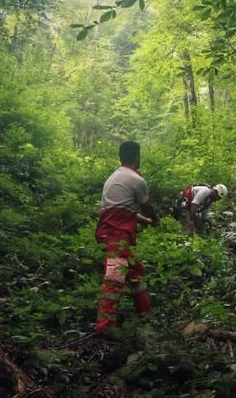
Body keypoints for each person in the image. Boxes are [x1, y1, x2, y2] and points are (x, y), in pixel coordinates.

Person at [95, 141, 159, 334]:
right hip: (117, 236)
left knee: (137, 274)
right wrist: (155, 219)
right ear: (137, 156)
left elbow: (122, 209)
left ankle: (145, 316)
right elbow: (146, 205)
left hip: (115, 235)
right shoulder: (136, 180)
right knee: (114, 279)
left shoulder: (114, 178)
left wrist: (144, 221)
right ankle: (105, 325)